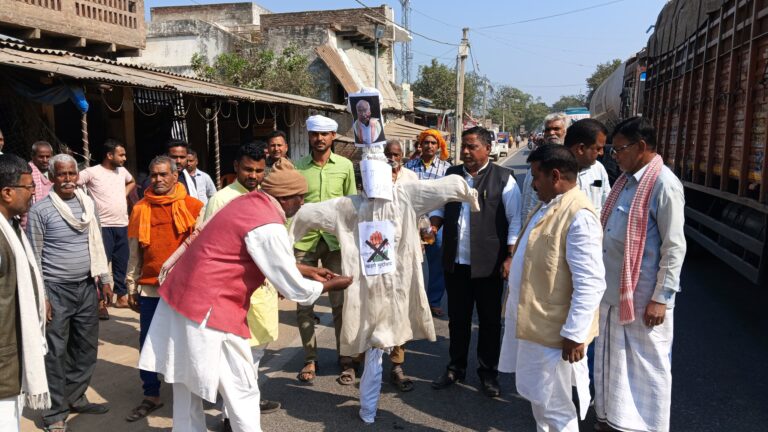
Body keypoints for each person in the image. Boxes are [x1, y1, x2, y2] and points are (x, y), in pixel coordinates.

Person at [138, 160, 353, 432]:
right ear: (288, 198)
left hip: (181, 300)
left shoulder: (247, 202)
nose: (301, 204)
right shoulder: (267, 223)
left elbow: (249, 255)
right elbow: (293, 289)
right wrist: (332, 285)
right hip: (210, 310)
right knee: (242, 387)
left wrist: (305, 269)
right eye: (300, 198)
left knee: (186, 384)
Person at [290, 163, 479, 424]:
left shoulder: (401, 196)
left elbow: (444, 186)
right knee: (373, 346)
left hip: (394, 288)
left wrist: (466, 193)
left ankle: (369, 406)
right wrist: (290, 235)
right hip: (364, 291)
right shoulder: (351, 205)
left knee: (378, 347)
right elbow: (309, 214)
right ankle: (368, 407)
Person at [500, 144, 606, 431]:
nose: (532, 184)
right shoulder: (547, 204)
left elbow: (591, 282)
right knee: (541, 404)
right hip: (538, 327)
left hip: (556, 334)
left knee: (555, 409)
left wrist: (574, 333)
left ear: (555, 175)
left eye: (536, 177)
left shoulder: (579, 215)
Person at [594, 117, 686, 432]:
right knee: (614, 364)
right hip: (615, 295)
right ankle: (612, 420)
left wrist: (661, 298)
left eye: (619, 149)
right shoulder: (625, 181)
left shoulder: (663, 183)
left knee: (647, 370)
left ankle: (647, 426)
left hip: (644, 299)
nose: (614, 156)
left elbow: (674, 248)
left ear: (641, 147)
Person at [430, 126, 522, 398]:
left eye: (472, 147)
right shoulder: (451, 174)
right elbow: (438, 205)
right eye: (464, 147)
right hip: (456, 262)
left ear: (487, 149)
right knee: (457, 319)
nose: (466, 152)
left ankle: (488, 373)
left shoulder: (504, 178)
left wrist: (509, 256)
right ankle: (455, 368)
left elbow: (514, 219)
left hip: (489, 264)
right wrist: (433, 227)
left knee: (490, 321)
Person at [26, 154, 112, 431]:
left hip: (87, 286)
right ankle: (54, 413)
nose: (67, 180)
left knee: (85, 348)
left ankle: (75, 396)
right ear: (51, 177)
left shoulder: (89, 205)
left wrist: (105, 280)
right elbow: (35, 258)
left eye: (71, 174)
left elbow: (97, 243)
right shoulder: (41, 211)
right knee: (55, 353)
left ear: (78, 176)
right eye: (61, 174)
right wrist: (44, 297)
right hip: (55, 290)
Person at [202, 142, 282, 424]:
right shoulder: (222, 200)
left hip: (263, 292)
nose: (254, 176)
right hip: (233, 293)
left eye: (260, 170)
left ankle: (247, 404)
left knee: (255, 354)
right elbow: (207, 250)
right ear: (236, 167)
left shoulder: (265, 198)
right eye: (248, 169)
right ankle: (232, 418)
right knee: (238, 359)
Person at [123, 156, 204, 423]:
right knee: (148, 343)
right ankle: (152, 394)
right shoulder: (140, 208)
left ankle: (192, 395)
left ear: (174, 176)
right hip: (151, 289)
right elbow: (134, 252)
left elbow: (203, 250)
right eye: (153, 175)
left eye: (162, 175)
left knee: (190, 343)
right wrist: (131, 285)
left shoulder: (193, 206)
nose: (157, 180)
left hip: (186, 290)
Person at [293, 115, 358, 385]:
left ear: (333, 137)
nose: (319, 139)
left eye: (325, 134)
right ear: (309, 137)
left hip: (335, 241)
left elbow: (351, 205)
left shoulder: (344, 166)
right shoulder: (297, 167)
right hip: (305, 242)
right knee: (304, 302)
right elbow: (292, 206)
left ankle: (346, 358)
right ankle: (310, 357)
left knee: (341, 303)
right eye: (314, 134)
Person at [0, 154, 49, 432]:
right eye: (29, 188)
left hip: (13, 351)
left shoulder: (12, 225)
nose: (33, 194)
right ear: (7, 193)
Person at [77, 139, 136, 313]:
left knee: (121, 262)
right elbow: (75, 184)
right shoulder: (91, 172)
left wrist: (122, 194)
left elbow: (131, 181)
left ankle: (121, 296)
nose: (124, 158)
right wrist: (85, 203)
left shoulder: (122, 171)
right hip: (102, 225)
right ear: (109, 155)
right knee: (101, 264)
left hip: (122, 223)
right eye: (121, 154)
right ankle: (101, 302)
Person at [404, 129, 451, 317]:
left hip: (435, 221)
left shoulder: (446, 168)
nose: (429, 146)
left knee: (437, 260)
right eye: (426, 142)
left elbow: (446, 197)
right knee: (409, 261)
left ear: (438, 146)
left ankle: (433, 301)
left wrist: (434, 226)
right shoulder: (409, 167)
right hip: (411, 219)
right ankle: (410, 301)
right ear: (420, 145)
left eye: (433, 143)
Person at [520, 113, 568, 221]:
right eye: (547, 130)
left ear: (565, 131)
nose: (551, 133)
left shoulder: (572, 164)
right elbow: (528, 202)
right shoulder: (536, 162)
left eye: (556, 129)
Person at [563, 119, 612, 217]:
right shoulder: (550, 172)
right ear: (581, 148)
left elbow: (607, 204)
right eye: (598, 148)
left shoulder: (598, 169)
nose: (601, 153)